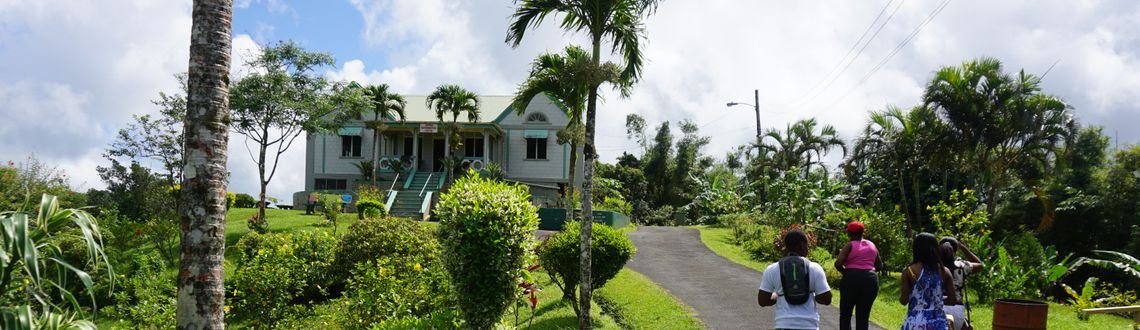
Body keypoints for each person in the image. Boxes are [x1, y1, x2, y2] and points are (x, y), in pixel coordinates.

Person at [759, 229, 833, 330]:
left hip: (783, 325)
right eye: (807, 246)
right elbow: (826, 299)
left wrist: (778, 294)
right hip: (809, 325)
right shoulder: (814, 268)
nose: (808, 249)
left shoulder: (772, 269)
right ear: (801, 245)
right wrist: (810, 293)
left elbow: (762, 301)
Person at [900, 232, 956, 330]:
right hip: (939, 323)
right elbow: (953, 300)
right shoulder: (945, 271)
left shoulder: (909, 271)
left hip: (915, 323)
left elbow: (904, 301)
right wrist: (937, 299)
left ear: (916, 249)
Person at [834, 221, 884, 330]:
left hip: (851, 279)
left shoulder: (850, 245)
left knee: (846, 315)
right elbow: (879, 265)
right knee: (863, 317)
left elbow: (838, 264)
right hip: (870, 280)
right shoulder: (872, 245)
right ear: (863, 232)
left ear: (849, 233)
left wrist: (847, 273)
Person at [939, 237, 984, 330]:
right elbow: (979, 264)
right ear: (955, 250)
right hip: (957, 311)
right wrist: (963, 247)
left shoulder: (932, 267)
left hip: (937, 309)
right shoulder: (962, 266)